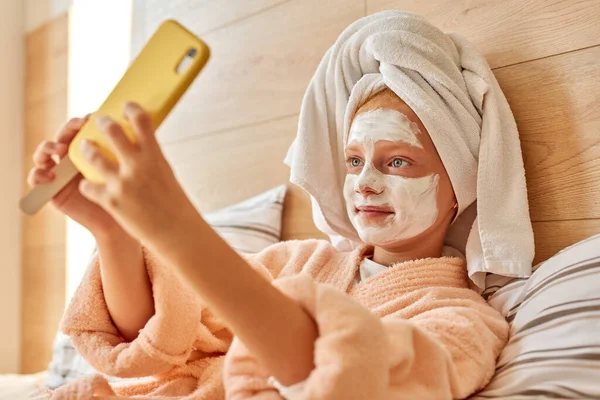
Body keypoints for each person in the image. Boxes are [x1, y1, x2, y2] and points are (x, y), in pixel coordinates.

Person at [30, 10, 535, 400]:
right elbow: (160, 332)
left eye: (397, 162)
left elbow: (351, 381)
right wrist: (112, 231)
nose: (365, 183)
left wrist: (174, 226)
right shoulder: (296, 262)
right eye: (354, 161)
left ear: (460, 184)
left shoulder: (463, 321)